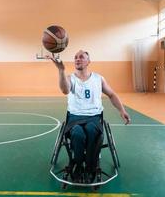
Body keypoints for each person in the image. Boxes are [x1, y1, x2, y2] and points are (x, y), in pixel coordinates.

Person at [47, 50, 130, 182]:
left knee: (92, 132)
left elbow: (112, 94)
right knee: (78, 134)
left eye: (81, 57)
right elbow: (65, 90)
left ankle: (91, 167)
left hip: (94, 117)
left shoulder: (98, 78)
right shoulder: (70, 78)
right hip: (75, 117)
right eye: (75, 57)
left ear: (88, 61)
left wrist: (122, 110)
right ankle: (78, 165)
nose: (77, 59)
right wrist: (61, 70)